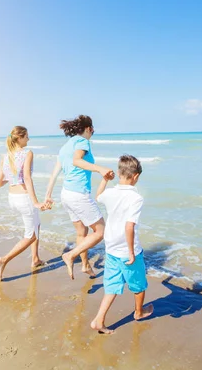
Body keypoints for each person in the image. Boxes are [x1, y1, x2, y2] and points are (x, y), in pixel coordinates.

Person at [44, 115, 115, 280]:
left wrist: (48, 195)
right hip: (78, 195)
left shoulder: (65, 147)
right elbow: (77, 161)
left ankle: (85, 265)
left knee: (81, 232)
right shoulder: (83, 142)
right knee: (101, 231)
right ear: (88, 128)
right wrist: (100, 169)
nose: (93, 133)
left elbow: (55, 173)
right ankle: (71, 255)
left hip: (66, 194)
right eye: (93, 130)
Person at [90, 155, 153, 334]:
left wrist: (104, 179)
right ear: (136, 176)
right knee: (139, 285)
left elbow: (98, 196)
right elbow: (129, 226)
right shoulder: (136, 198)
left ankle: (98, 320)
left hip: (111, 248)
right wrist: (132, 252)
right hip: (127, 251)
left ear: (118, 173)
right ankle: (139, 313)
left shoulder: (110, 193)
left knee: (111, 286)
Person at [0, 126, 48, 281]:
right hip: (24, 199)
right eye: (26, 137)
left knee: (36, 225)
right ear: (20, 138)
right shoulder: (27, 153)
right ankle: (3, 260)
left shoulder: (5, 156)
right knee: (30, 236)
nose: (28, 139)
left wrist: (11, 178)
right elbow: (27, 178)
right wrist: (36, 202)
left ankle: (35, 259)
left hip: (12, 198)